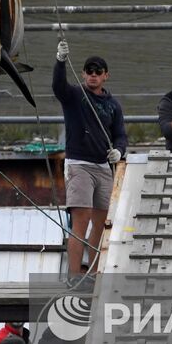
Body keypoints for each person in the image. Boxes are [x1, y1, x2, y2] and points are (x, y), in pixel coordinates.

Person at [53, 40, 127, 275]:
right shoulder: (75, 95)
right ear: (83, 74)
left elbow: (121, 135)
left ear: (106, 76)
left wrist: (119, 151)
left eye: (98, 72)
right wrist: (60, 61)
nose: (93, 75)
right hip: (79, 165)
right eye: (89, 71)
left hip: (104, 168)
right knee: (80, 223)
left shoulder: (113, 105)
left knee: (101, 225)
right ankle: (74, 276)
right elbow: (58, 87)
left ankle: (94, 274)